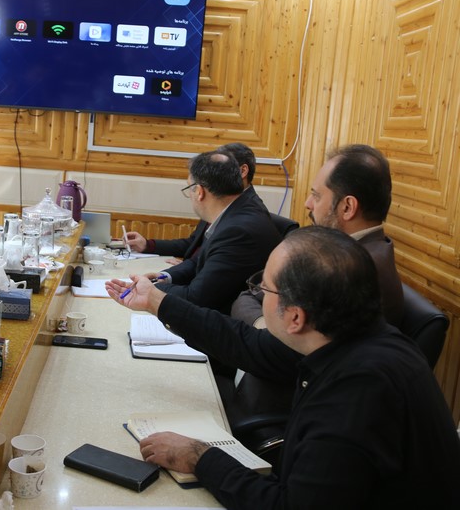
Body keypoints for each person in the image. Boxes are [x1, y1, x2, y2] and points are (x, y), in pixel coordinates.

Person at [105, 227, 460, 509]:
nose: (259, 293)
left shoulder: (356, 393)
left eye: (264, 288)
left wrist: (200, 457)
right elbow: (244, 342)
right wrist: (157, 301)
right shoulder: (351, 336)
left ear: (295, 317)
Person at [231, 144, 403, 328]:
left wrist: (267, 329)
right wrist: (264, 321)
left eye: (317, 196)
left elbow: (293, 338)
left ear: (347, 207)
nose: (308, 203)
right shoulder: (337, 246)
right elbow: (251, 293)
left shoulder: (351, 272)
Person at [140, 151, 280, 316]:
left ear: (199, 192)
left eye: (189, 188)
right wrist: (164, 277)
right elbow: (199, 260)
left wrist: (151, 289)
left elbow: (196, 298)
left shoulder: (236, 231)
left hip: (227, 320)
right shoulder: (234, 213)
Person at [125, 143, 265, 264]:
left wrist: (188, 270)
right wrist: (147, 245)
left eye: (224, 166)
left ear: (243, 171)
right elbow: (194, 243)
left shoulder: (247, 213)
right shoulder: (217, 198)